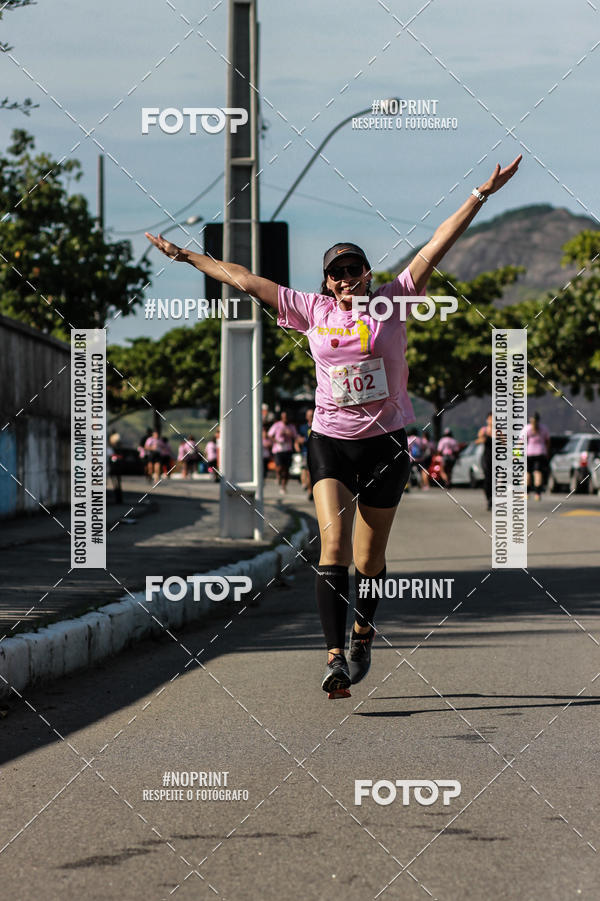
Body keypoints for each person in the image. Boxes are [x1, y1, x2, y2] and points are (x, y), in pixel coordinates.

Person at [145, 153, 521, 698]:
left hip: (387, 444)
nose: (347, 278)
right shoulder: (310, 310)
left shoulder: (395, 300)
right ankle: (334, 658)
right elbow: (244, 278)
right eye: (337, 272)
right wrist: (185, 256)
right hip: (330, 442)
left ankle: (364, 633)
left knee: (370, 558)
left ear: (367, 274)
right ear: (327, 281)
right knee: (333, 546)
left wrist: (482, 193)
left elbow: (440, 241)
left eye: (355, 269)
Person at [268, 410, 298, 496]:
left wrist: (290, 434)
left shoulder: (291, 427)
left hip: (288, 449)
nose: (285, 419)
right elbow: (269, 435)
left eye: (287, 417)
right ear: (282, 417)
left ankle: (283, 487)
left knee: (286, 470)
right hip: (279, 449)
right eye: (284, 417)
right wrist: (276, 441)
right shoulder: (277, 425)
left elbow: (295, 436)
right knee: (279, 467)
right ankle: (278, 475)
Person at [525, 412, 550, 501]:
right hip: (540, 452)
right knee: (537, 473)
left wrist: (516, 455)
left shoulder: (527, 428)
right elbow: (547, 442)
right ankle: (537, 494)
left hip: (529, 453)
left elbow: (520, 443)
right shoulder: (544, 428)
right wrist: (547, 453)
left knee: (527, 473)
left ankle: (526, 493)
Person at [476, 412, 494, 510]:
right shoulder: (483, 430)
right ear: (487, 420)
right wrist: (484, 439)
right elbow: (477, 441)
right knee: (487, 478)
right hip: (486, 457)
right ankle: (489, 498)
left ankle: (493, 498)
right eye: (490, 418)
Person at [297, 408, 314, 501]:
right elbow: (298, 439)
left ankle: (311, 489)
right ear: (307, 417)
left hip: (315, 453)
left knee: (312, 473)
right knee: (307, 472)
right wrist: (298, 444)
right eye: (310, 415)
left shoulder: (318, 426)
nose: (311, 417)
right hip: (305, 452)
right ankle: (309, 491)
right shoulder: (303, 428)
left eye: (313, 415)